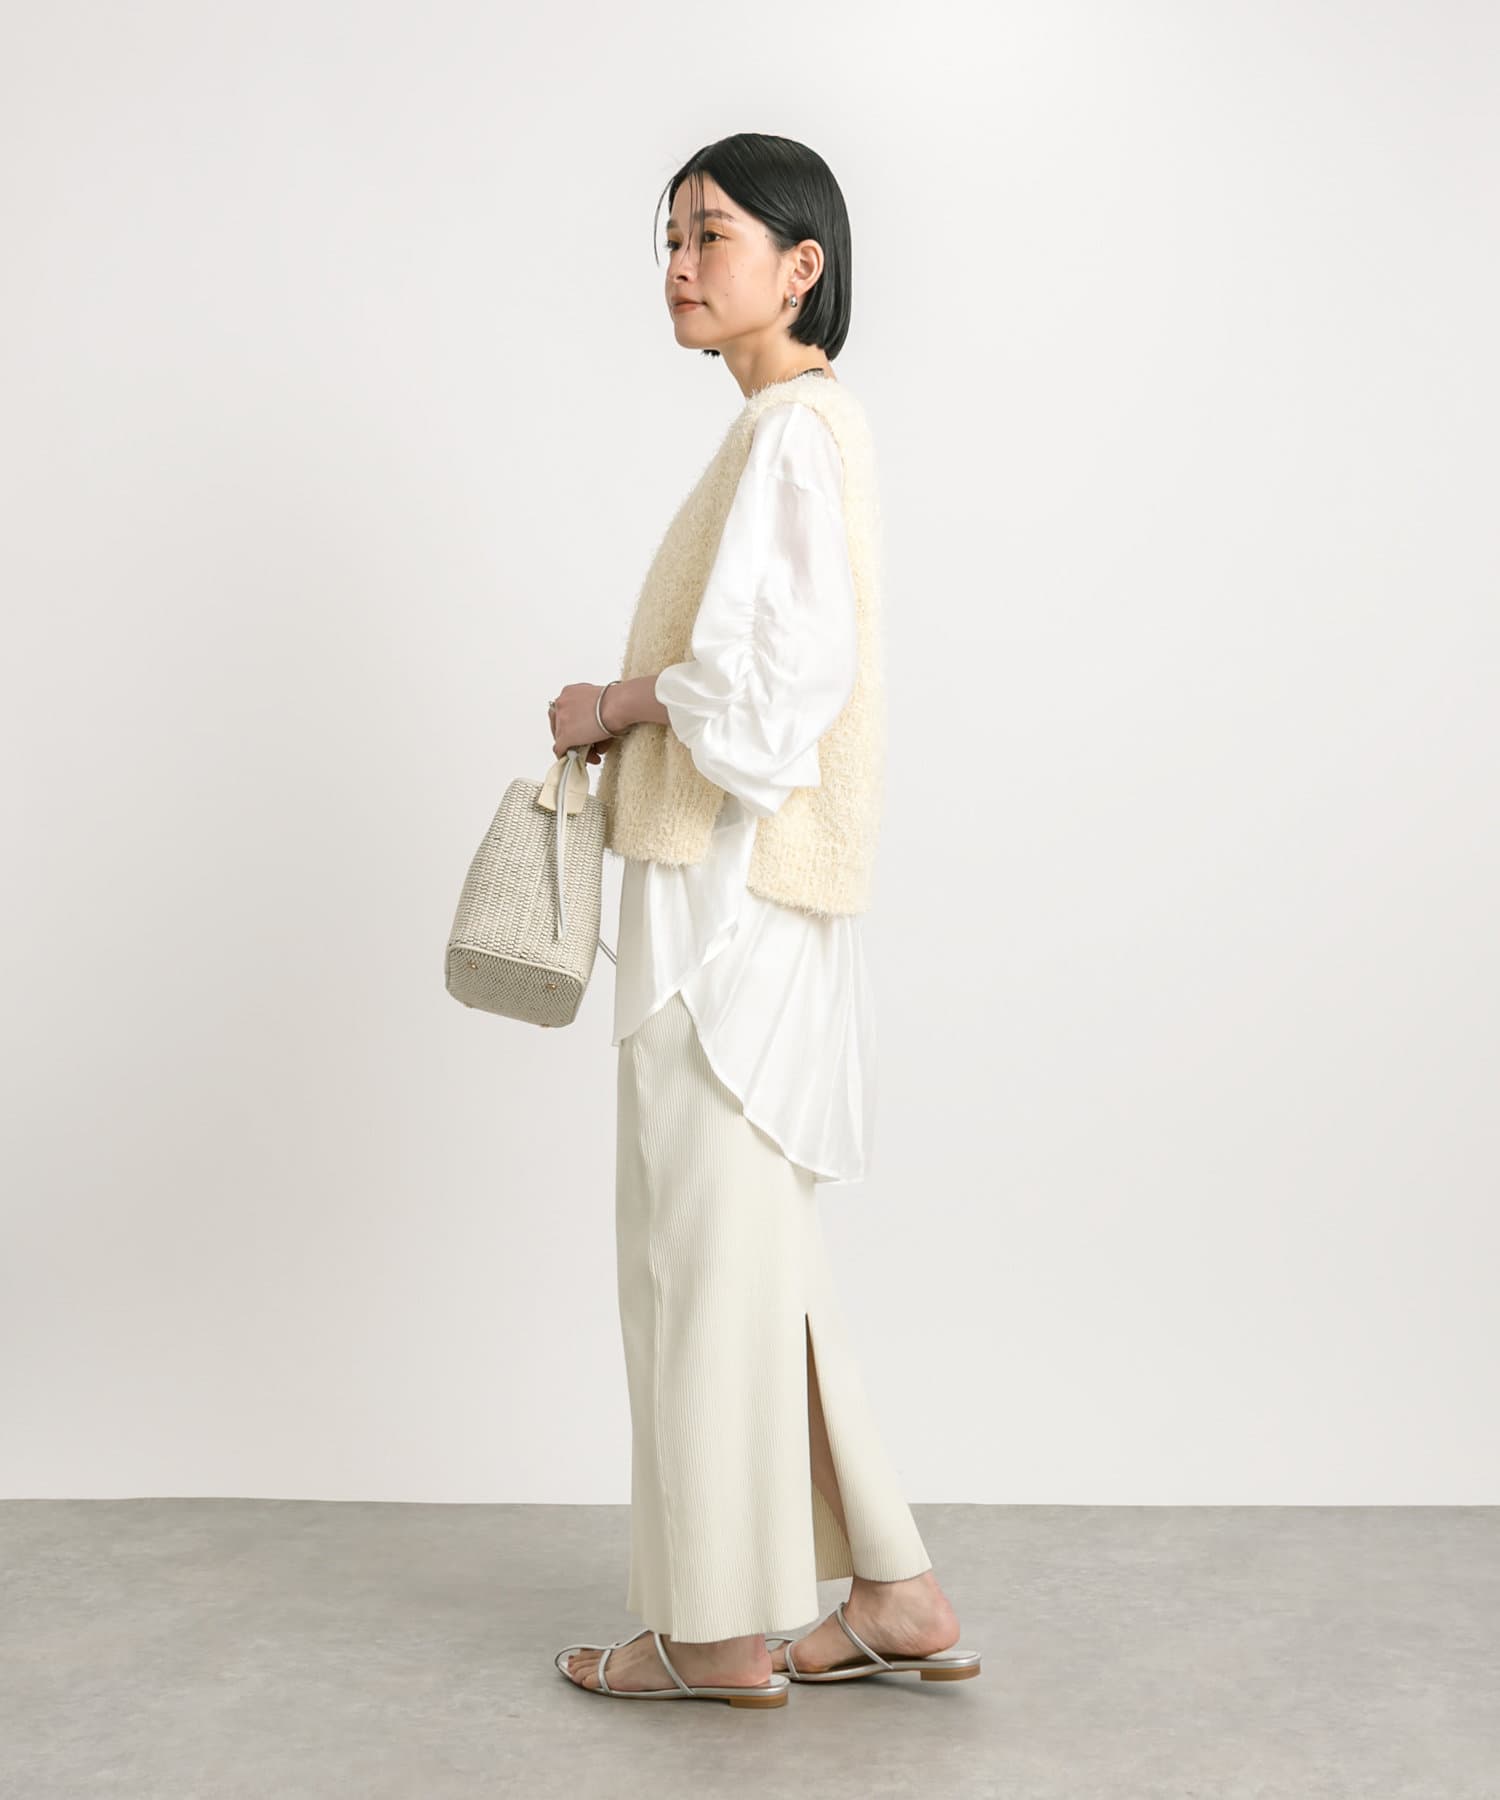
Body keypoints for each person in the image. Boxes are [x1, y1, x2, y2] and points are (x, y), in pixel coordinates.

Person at [545, 136, 976, 1704]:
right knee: (755, 1267)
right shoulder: (792, 430)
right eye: (668, 236)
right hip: (755, 910)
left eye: (711, 234)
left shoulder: (791, 435)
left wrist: (617, 701)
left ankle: (716, 1632)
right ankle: (897, 1594)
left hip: (721, 921)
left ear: (803, 265)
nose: (678, 265)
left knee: (693, 1271)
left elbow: (774, 693)